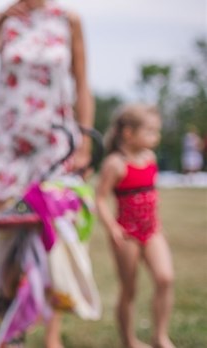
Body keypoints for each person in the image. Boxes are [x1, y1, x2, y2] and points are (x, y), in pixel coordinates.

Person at [0, 0, 94, 346]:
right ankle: (12, 326)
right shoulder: (1, 18)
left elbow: (82, 82)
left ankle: (52, 332)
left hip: (52, 137)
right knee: (6, 232)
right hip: (4, 136)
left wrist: (83, 141)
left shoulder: (68, 20)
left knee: (51, 232)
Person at [95, 104, 175, 348]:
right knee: (129, 289)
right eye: (150, 131)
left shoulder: (149, 158)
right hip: (126, 234)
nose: (156, 136)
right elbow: (99, 198)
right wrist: (112, 228)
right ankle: (129, 341)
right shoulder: (115, 164)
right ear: (128, 133)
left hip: (152, 230)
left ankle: (160, 336)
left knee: (165, 278)